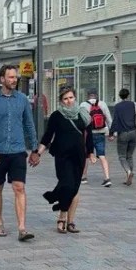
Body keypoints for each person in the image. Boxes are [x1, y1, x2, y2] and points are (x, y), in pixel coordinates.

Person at [0, 64, 38, 241]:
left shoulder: (22, 99)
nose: (14, 80)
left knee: (19, 187)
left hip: (18, 150)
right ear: (2, 79)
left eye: (15, 77)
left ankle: (22, 228)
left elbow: (29, 124)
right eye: (11, 77)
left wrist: (35, 149)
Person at [36, 86, 96, 234]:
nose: (69, 101)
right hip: (62, 157)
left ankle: (71, 221)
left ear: (75, 98)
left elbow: (89, 135)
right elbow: (48, 136)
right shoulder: (56, 116)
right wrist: (38, 153)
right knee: (68, 185)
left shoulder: (83, 114)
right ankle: (62, 215)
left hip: (79, 156)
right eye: (65, 99)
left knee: (74, 189)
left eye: (71, 97)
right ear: (61, 101)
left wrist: (91, 153)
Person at [79, 89, 113, 186]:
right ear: (96, 95)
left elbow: (81, 121)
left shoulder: (83, 105)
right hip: (101, 133)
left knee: (86, 156)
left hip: (88, 135)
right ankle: (107, 178)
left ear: (88, 95)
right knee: (102, 156)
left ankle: (84, 177)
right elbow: (109, 119)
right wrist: (112, 133)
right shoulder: (102, 104)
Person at [109, 88, 136, 186]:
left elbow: (115, 121)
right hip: (134, 132)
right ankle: (128, 178)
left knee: (122, 156)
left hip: (123, 134)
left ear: (119, 96)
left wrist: (111, 133)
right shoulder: (133, 104)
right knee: (129, 156)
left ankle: (128, 172)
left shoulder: (118, 107)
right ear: (128, 95)